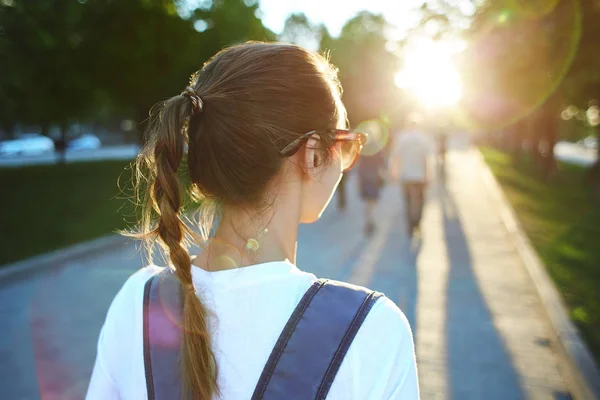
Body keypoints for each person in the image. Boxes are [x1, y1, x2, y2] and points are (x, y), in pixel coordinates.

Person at [86, 43, 418, 400]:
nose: (345, 162)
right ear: (313, 155)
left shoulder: (138, 302)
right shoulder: (371, 329)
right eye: (345, 144)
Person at [389, 115, 432, 236]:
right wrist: (428, 175)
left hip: (406, 176)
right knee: (420, 200)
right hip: (419, 176)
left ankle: (410, 225)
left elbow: (396, 158)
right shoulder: (424, 139)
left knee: (408, 201)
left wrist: (394, 173)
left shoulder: (402, 138)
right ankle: (417, 222)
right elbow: (426, 159)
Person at [357, 151, 387, 235]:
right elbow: (382, 164)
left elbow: (359, 164)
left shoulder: (364, 150)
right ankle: (371, 218)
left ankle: (369, 218)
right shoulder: (377, 151)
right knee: (373, 200)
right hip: (374, 178)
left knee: (367, 201)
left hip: (364, 177)